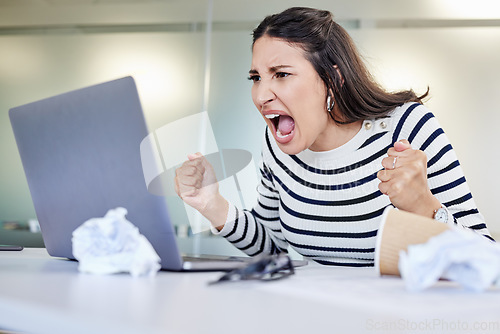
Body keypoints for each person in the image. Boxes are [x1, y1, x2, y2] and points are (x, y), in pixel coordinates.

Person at [174, 7, 493, 267]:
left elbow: (487, 257)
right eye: (256, 77)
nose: (261, 95)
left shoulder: (407, 128)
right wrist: (213, 206)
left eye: (281, 74)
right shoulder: (276, 144)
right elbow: (273, 248)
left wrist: (423, 207)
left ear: (333, 79)